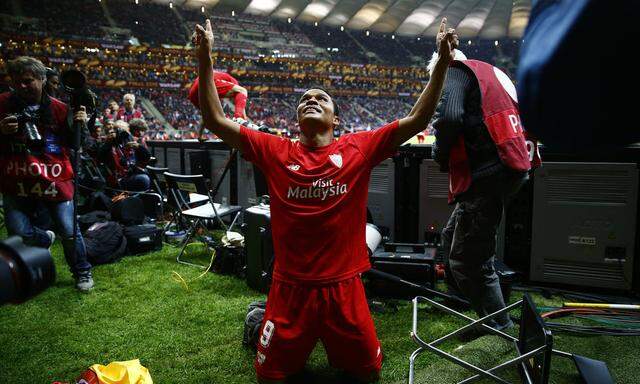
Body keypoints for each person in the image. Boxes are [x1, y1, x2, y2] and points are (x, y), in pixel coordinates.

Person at [192, 18, 455, 383]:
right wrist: (205, 57)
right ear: (297, 118)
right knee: (271, 377)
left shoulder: (358, 148)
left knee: (367, 373)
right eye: (304, 99)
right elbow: (214, 118)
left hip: (343, 289)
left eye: (321, 98)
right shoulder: (274, 149)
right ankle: (263, 321)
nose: (312, 100)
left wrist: (441, 63)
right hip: (290, 289)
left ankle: (264, 321)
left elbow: (418, 118)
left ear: (336, 118)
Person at [431, 33, 538, 330]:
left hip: (488, 173)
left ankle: (499, 326)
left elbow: (449, 118)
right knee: (452, 236)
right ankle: (462, 299)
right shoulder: (490, 72)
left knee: (469, 260)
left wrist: (439, 153)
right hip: (511, 166)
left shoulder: (454, 69)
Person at [0, 56, 94, 291]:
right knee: (18, 232)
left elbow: (77, 144)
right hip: (17, 179)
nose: (21, 86)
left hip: (55, 177)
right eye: (16, 81)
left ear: (42, 80)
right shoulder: (1, 103)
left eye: (28, 81)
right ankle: (44, 238)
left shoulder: (60, 108)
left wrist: (81, 124)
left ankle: (82, 271)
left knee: (70, 230)